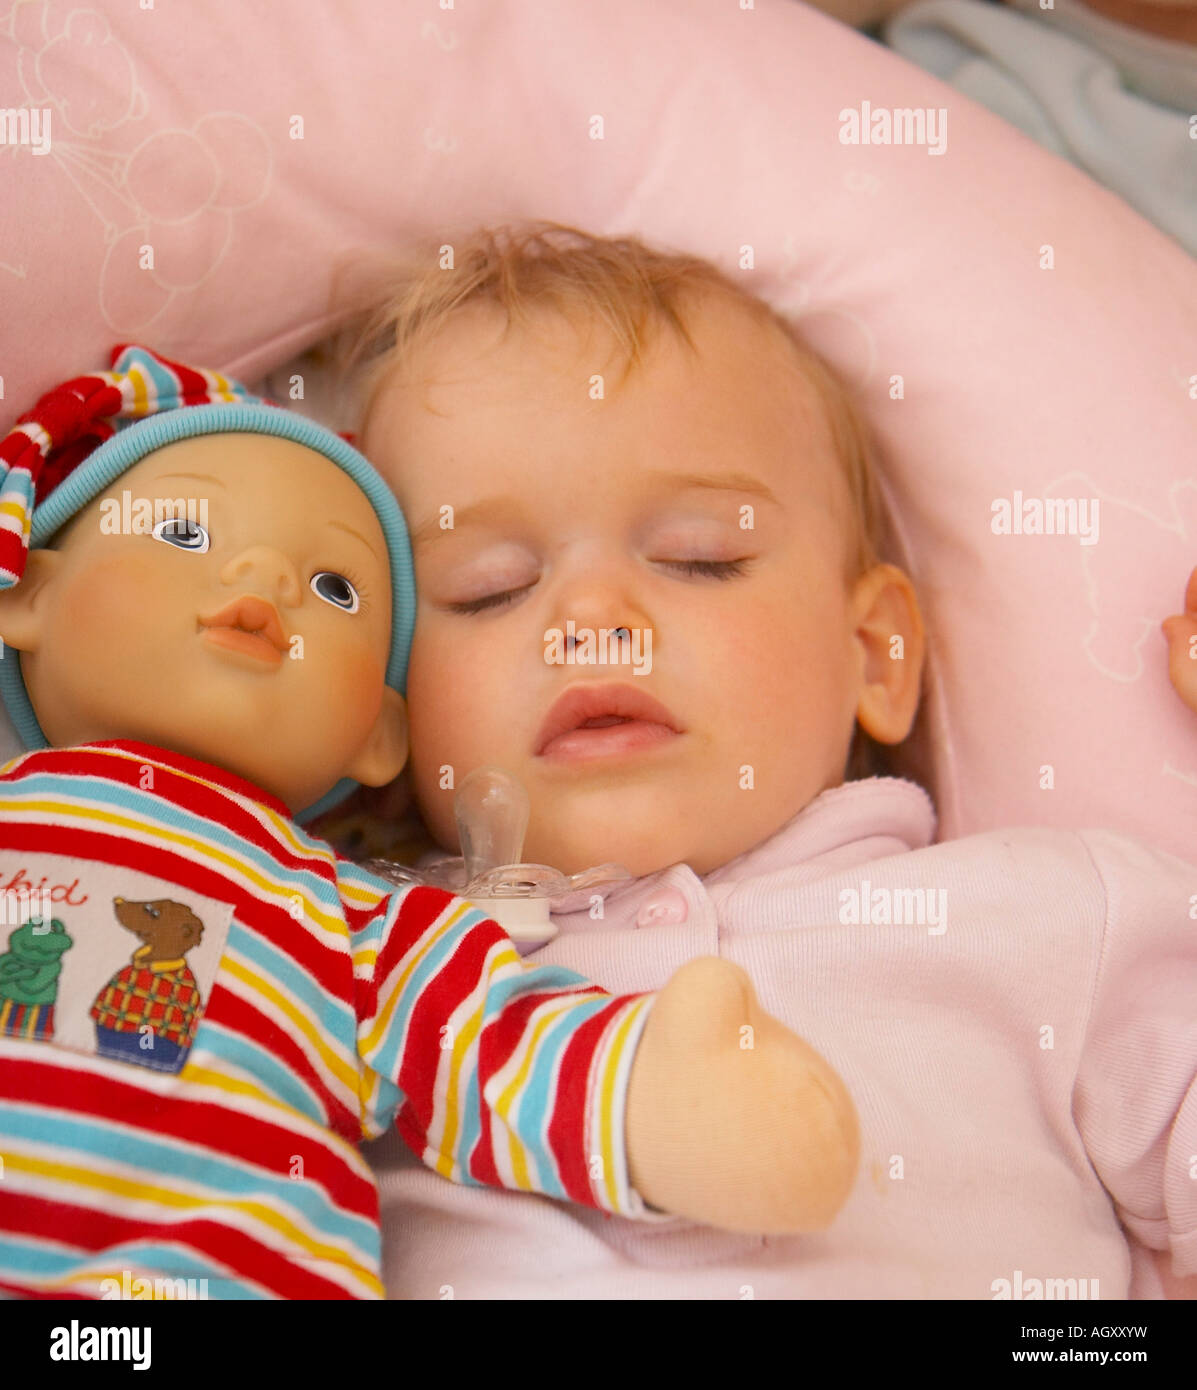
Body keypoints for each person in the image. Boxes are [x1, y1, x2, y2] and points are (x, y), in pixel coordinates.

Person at [0, 344, 858, 1300]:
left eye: (338, 589)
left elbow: (486, 1047)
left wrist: (668, 1101)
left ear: (379, 731)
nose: (266, 575)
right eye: (185, 536)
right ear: (31, 595)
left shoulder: (357, 922)